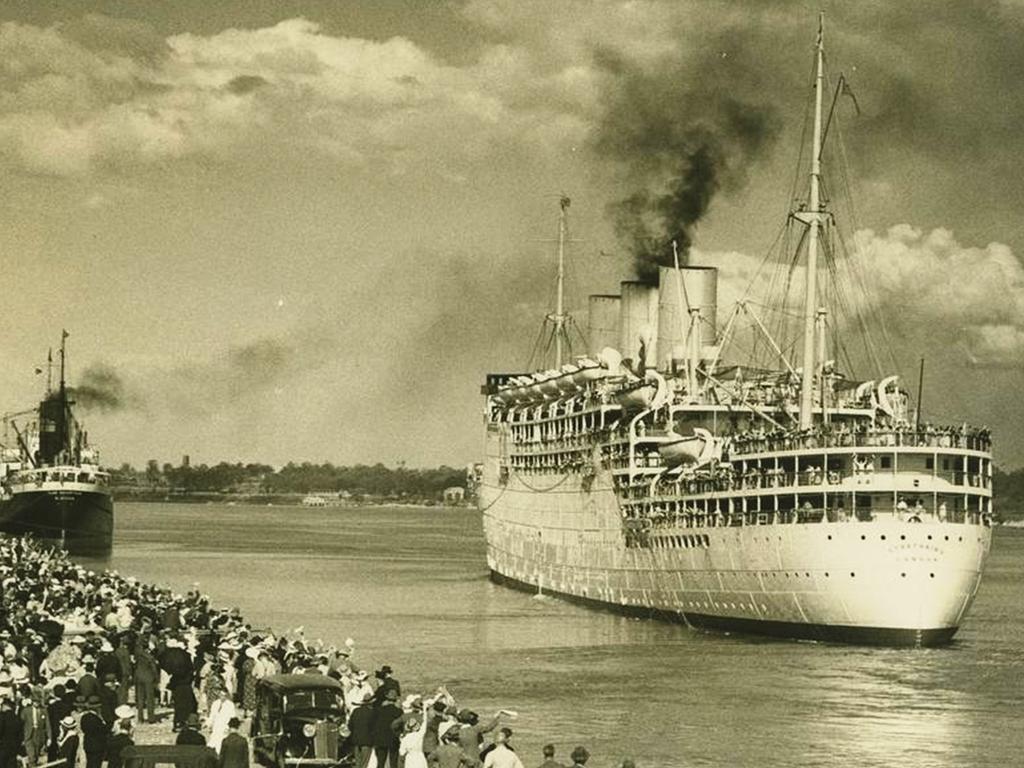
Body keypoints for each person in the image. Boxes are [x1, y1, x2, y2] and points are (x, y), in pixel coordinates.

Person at [371, 688, 403, 768]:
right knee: (393, 763)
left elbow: (374, 724)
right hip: (393, 739)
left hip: (380, 739)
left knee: (380, 763)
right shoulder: (398, 711)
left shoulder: (379, 710)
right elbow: (400, 726)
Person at [80, 697, 109, 768]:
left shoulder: (84, 717)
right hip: (97, 745)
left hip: (88, 744)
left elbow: (83, 729)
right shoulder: (97, 719)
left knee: (89, 763)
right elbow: (103, 730)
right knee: (96, 764)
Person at [206, 688, 237, 753]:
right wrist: (209, 724)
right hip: (216, 727)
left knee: (221, 746)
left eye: (224, 695)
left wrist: (229, 727)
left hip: (224, 727)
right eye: (221, 695)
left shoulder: (230, 705)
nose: (222, 697)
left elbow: (233, 717)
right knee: (212, 745)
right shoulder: (215, 703)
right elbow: (212, 715)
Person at [348, 693, 375, 768]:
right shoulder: (372, 713)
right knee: (365, 764)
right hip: (367, 741)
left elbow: (350, 726)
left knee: (358, 763)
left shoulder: (356, 711)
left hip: (356, 741)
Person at [0, 698, 22, 768]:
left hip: (2, 746)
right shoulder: (16, 717)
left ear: (4, 706)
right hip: (14, 747)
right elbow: (20, 734)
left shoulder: (2, 716)